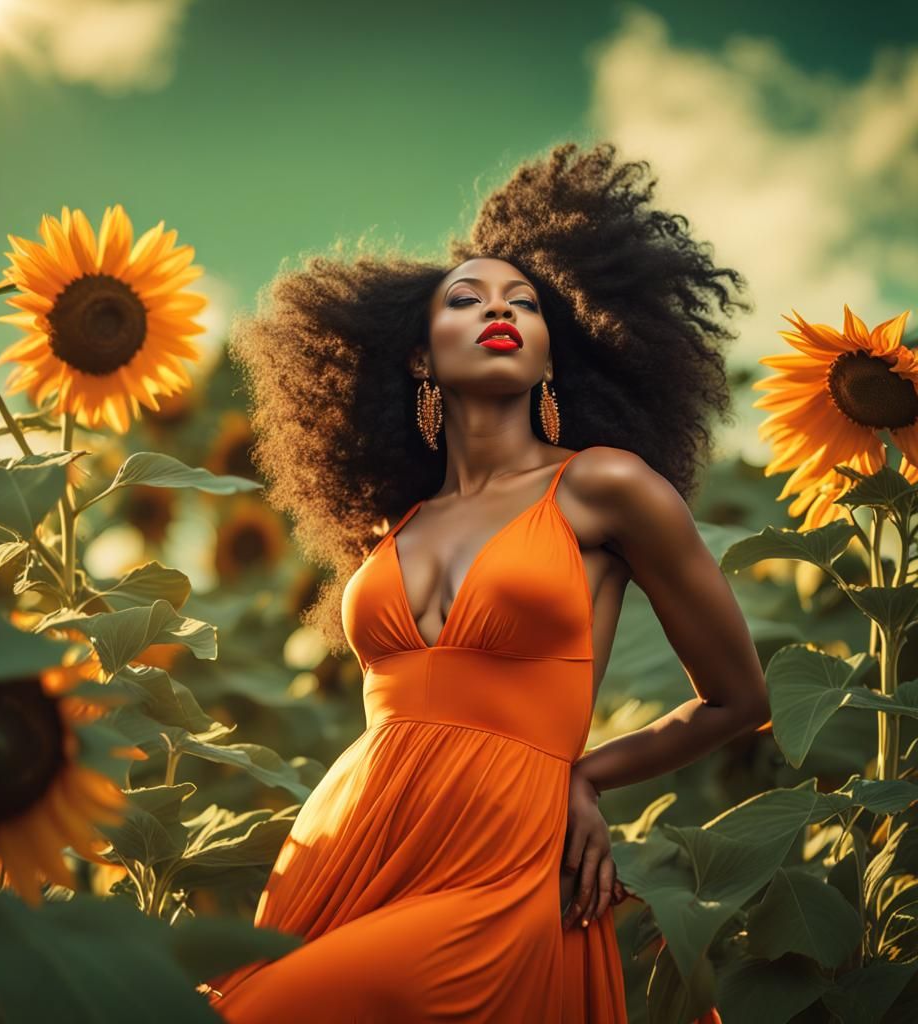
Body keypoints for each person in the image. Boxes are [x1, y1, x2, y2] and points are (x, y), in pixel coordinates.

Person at [205, 141, 769, 1022]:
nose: (497, 309)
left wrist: (582, 777)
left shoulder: (603, 487)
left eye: (524, 303)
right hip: (347, 844)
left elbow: (738, 699)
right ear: (422, 360)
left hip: (504, 859)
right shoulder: (389, 527)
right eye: (464, 299)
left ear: (550, 358)